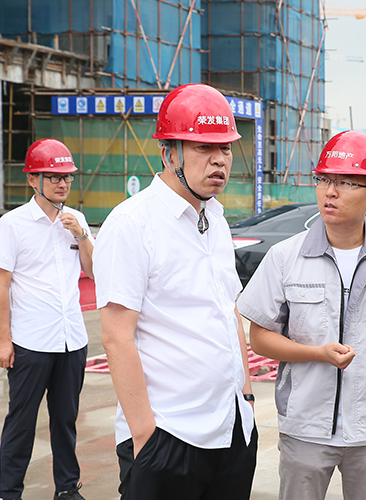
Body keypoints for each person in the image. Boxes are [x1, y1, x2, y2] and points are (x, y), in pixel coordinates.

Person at [237, 130, 366, 500]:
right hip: (305, 427)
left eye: (345, 182)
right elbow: (260, 338)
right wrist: (317, 353)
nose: (330, 192)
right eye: (324, 180)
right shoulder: (285, 257)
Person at [94, 84, 258, 499]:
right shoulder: (132, 224)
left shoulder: (216, 220)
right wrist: (144, 435)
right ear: (169, 154)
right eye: (204, 147)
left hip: (232, 428)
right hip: (169, 434)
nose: (219, 159)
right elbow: (116, 336)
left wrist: (247, 396)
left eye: (225, 148)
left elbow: (228, 311)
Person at [0, 138, 93, 500]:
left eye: (67, 177)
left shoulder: (76, 220)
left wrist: (81, 236)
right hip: (30, 342)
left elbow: (93, 271)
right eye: (54, 177)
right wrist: (3, 340)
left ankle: (67, 489)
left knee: (65, 421)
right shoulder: (13, 224)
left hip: (71, 340)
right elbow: (1, 285)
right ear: (33, 179)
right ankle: (10, 493)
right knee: (21, 422)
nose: (63, 184)